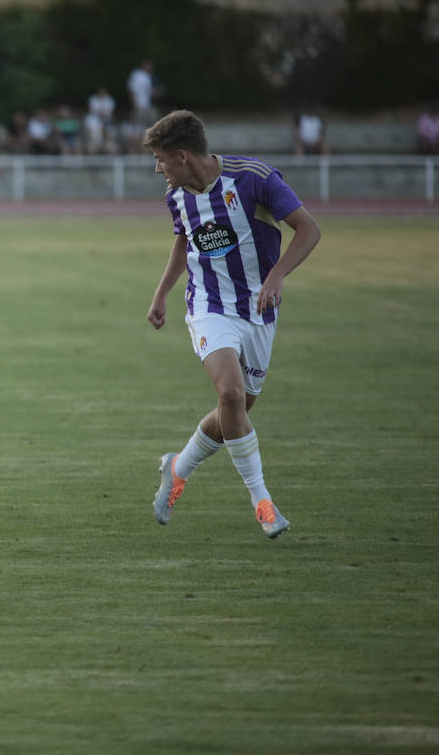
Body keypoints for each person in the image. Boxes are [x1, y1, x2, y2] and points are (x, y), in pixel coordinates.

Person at [144, 110, 321, 539]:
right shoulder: (177, 195)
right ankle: (263, 503)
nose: (157, 168)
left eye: (162, 159)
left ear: (183, 156)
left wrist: (276, 275)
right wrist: (163, 291)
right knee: (229, 393)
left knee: (236, 409)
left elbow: (308, 230)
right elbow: (184, 241)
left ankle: (177, 467)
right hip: (208, 306)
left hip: (259, 311)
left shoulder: (254, 178)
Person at [127, 60, 158, 130]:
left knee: (146, 123)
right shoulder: (137, 75)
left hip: (146, 104)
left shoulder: (148, 76)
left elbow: (148, 91)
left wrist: (155, 92)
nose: (151, 68)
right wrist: (134, 104)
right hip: (138, 103)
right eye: (149, 66)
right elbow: (132, 89)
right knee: (138, 124)